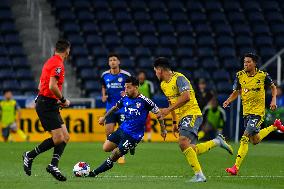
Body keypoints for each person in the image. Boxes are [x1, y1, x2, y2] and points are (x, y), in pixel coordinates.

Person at [153, 57, 233, 183]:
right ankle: (217, 142)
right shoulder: (163, 84)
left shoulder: (179, 78)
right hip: (182, 117)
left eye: (155, 71)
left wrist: (168, 110)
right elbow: (171, 103)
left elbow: (186, 97)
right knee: (191, 148)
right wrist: (174, 122)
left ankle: (199, 175)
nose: (155, 74)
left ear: (160, 70)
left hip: (192, 113)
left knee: (183, 142)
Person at [88, 76, 166, 177]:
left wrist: (163, 130)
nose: (126, 90)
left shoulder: (145, 101)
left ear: (136, 87)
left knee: (115, 154)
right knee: (106, 148)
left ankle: (94, 173)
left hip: (134, 135)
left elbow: (159, 114)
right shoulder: (125, 98)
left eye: (128, 87)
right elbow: (115, 107)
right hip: (122, 129)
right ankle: (129, 147)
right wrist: (104, 117)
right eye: (125, 87)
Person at [223, 53, 284, 175]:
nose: (246, 64)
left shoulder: (263, 76)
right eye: (245, 62)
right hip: (247, 113)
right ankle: (275, 126)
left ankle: (235, 167)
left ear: (255, 63)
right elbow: (236, 92)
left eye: (249, 62)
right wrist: (228, 100)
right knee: (255, 140)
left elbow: (273, 87)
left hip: (258, 113)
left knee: (244, 138)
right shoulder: (239, 76)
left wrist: (273, 100)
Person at [22, 39, 71, 181]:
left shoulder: (50, 62)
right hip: (46, 105)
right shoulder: (58, 64)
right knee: (58, 138)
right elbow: (52, 86)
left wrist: (54, 99)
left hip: (49, 102)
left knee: (65, 136)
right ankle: (29, 155)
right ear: (67, 51)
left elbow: (40, 84)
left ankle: (53, 165)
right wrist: (62, 100)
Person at [100, 53, 131, 164]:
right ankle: (115, 152)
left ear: (118, 62)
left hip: (123, 108)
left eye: (114, 60)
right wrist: (103, 95)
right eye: (110, 60)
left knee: (123, 132)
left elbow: (132, 88)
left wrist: (127, 93)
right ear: (109, 63)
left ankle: (121, 154)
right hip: (110, 108)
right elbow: (103, 86)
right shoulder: (104, 75)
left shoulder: (126, 75)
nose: (112, 62)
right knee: (108, 131)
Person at [138, 70, 155, 142]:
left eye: (142, 75)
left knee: (148, 122)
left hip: (147, 105)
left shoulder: (149, 84)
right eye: (140, 75)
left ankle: (149, 138)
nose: (141, 76)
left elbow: (152, 94)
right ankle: (141, 137)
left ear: (144, 76)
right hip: (138, 106)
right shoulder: (135, 84)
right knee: (139, 122)